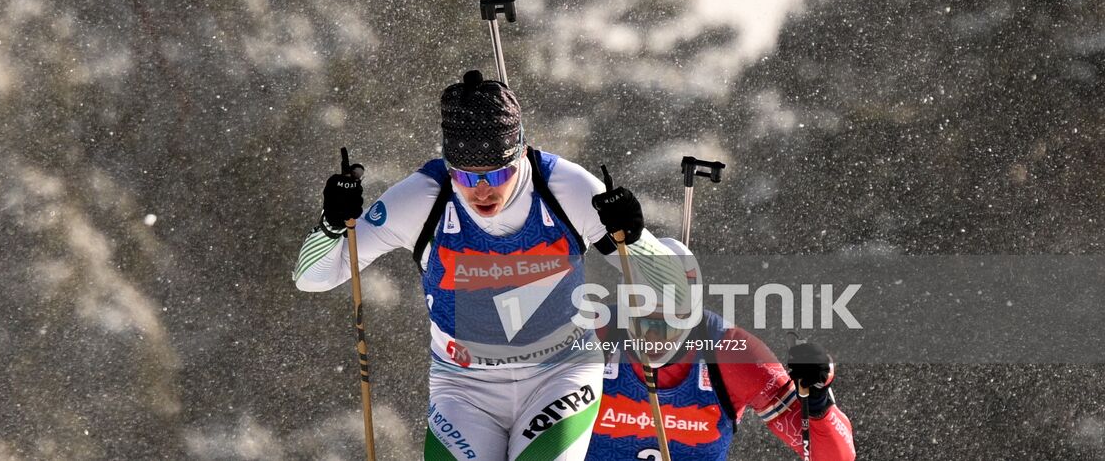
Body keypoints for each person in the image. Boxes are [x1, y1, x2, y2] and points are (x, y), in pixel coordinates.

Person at [293, 69, 690, 461]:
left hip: (559, 375)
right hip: (464, 386)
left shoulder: (567, 189)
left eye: (498, 173)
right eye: (465, 176)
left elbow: (674, 293)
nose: (481, 190)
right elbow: (313, 279)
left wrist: (637, 237)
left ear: (521, 153)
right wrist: (330, 225)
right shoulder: (421, 199)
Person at [584, 239, 856, 461]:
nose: (655, 340)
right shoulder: (593, 335)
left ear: (691, 315)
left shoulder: (731, 352)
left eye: (669, 325)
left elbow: (833, 457)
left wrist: (818, 400)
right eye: (642, 324)